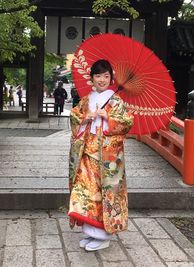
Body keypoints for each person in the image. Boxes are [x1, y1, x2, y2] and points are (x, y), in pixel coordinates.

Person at [68, 59, 134, 251]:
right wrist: (84, 117)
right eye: (98, 75)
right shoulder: (86, 99)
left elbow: (127, 122)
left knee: (104, 194)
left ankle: (104, 236)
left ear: (111, 78)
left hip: (107, 157)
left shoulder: (116, 100)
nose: (102, 80)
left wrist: (110, 118)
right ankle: (90, 232)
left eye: (106, 76)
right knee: (85, 192)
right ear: (92, 79)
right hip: (87, 153)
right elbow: (74, 117)